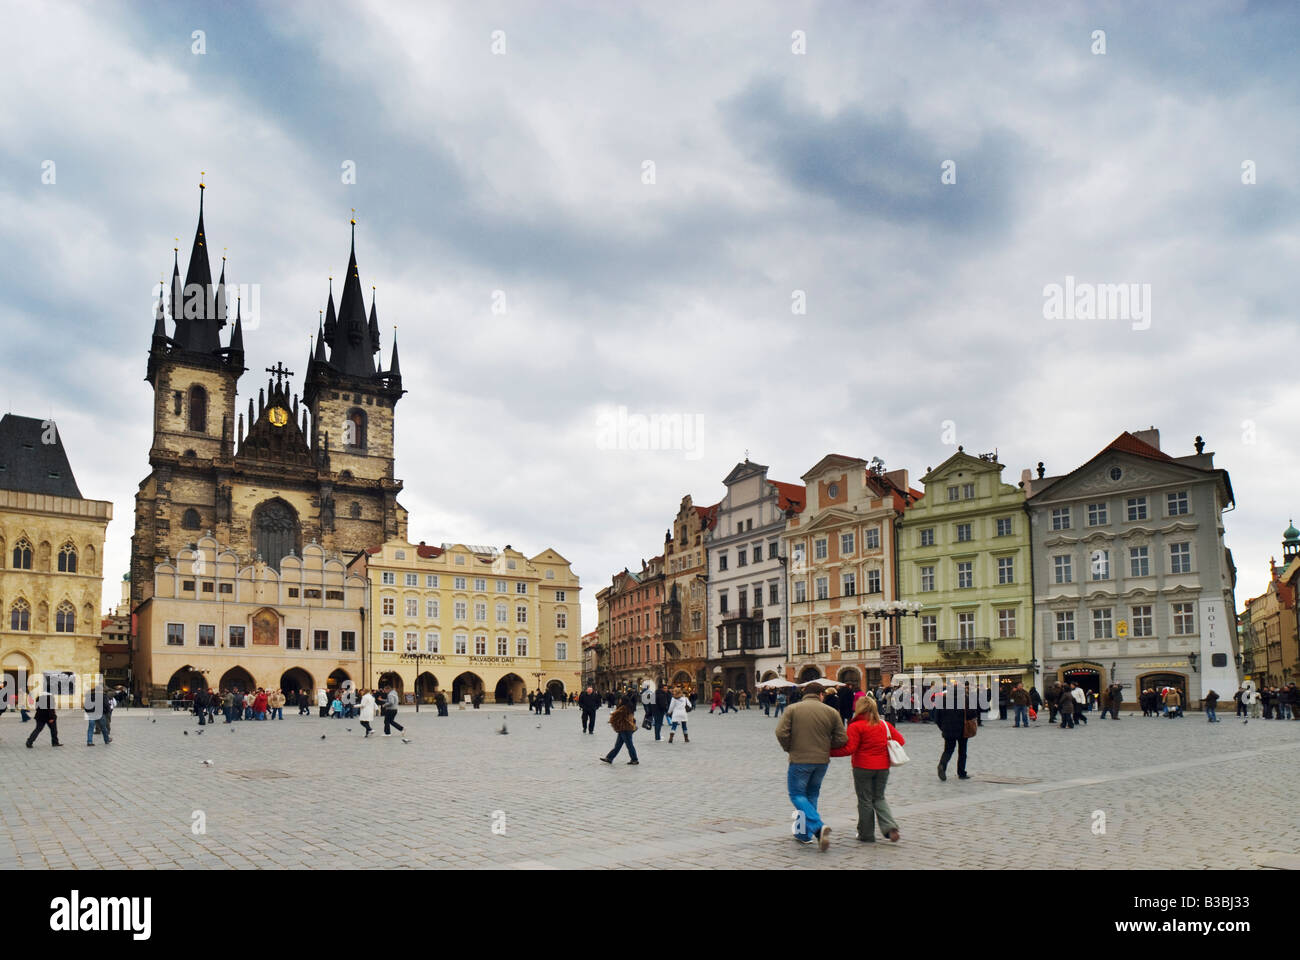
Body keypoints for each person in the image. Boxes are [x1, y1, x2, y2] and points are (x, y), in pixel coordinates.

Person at [775, 684, 847, 850]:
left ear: (804, 694)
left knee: (797, 795)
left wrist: (789, 747)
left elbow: (780, 732)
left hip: (799, 759)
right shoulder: (831, 712)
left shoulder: (792, 709)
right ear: (821, 694)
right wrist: (826, 745)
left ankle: (817, 827)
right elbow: (842, 739)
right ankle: (803, 834)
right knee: (811, 795)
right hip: (821, 761)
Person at [830, 695, 903, 843]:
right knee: (879, 797)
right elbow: (901, 740)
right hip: (883, 767)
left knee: (865, 800)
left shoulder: (855, 726)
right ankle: (890, 827)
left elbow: (849, 748)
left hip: (862, 767)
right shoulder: (884, 725)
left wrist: (828, 752)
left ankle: (866, 834)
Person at [935, 683, 978, 778]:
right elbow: (973, 714)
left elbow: (937, 716)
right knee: (962, 751)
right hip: (963, 729)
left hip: (948, 729)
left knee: (948, 750)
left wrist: (942, 727)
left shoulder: (943, 700)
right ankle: (961, 772)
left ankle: (942, 765)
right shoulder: (966, 699)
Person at [600, 700, 639, 765]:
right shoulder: (630, 708)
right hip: (625, 729)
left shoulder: (623, 708)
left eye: (621, 699)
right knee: (618, 745)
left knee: (629, 745)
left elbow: (616, 716)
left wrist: (612, 717)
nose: (620, 700)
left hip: (625, 729)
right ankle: (609, 758)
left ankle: (634, 759)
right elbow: (632, 719)